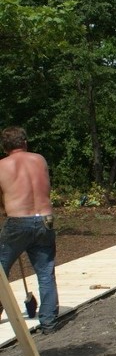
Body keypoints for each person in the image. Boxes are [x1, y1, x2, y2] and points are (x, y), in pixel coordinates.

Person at [0, 126, 61, 334]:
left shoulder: (2, 166)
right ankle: (49, 323)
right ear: (24, 143)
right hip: (45, 219)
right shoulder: (40, 160)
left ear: (4, 146)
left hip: (17, 221)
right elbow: (45, 188)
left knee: (0, 270)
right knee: (45, 273)